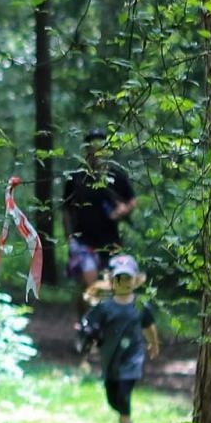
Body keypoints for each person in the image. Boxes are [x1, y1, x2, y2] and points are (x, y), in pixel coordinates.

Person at [80, 253, 158, 423]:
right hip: (110, 359)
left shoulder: (140, 305)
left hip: (132, 358)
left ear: (136, 280)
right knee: (112, 398)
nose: (123, 282)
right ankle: (126, 418)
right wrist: (89, 338)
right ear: (111, 280)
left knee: (124, 395)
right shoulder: (104, 307)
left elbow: (149, 326)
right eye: (119, 278)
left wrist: (153, 344)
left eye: (127, 278)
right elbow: (90, 327)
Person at [62, 129, 137, 316]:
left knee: (111, 286)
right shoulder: (76, 177)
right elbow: (66, 209)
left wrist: (123, 210)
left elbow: (132, 200)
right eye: (92, 145)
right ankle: (86, 324)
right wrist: (69, 237)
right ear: (86, 149)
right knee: (91, 285)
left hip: (111, 241)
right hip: (83, 241)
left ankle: (102, 323)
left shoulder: (116, 175)